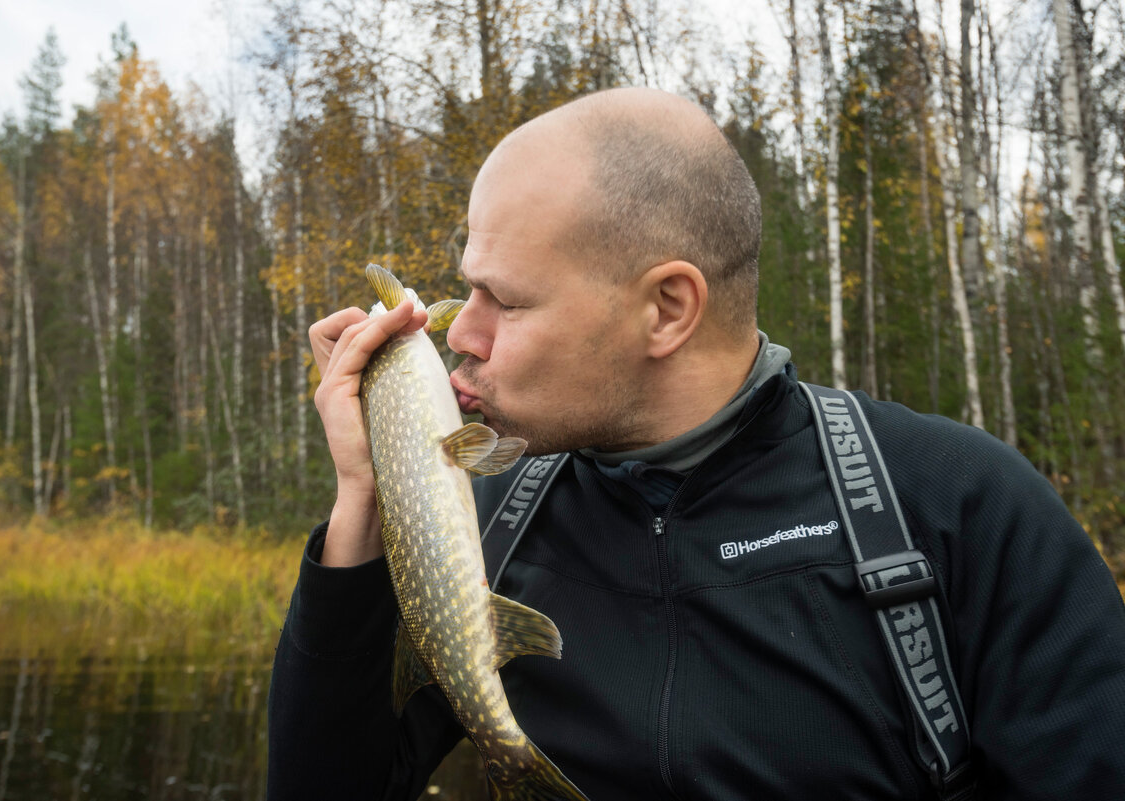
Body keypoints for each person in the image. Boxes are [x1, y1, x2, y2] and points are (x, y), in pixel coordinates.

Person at [266, 87, 1125, 800]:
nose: (465, 336)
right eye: (466, 294)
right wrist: (368, 504)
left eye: (506, 301)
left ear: (668, 308)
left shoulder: (949, 501)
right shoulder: (489, 522)